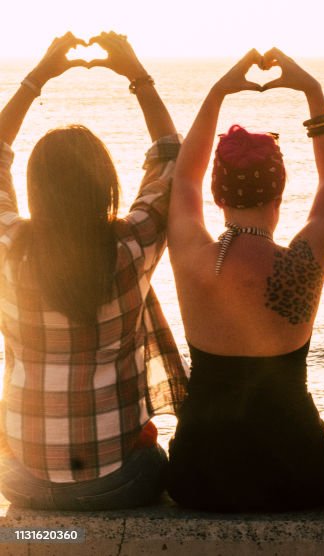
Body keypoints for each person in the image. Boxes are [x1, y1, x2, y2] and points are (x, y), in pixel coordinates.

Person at [0, 32, 186, 510]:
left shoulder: (8, 250)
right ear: (106, 187)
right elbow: (171, 156)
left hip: (23, 481)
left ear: (35, 189)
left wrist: (38, 76)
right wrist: (136, 75)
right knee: (160, 456)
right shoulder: (131, 246)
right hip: (119, 483)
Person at [164, 48, 324, 512]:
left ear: (217, 192)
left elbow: (184, 176)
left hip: (199, 473)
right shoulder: (304, 260)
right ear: (280, 187)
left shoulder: (193, 257)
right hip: (295, 471)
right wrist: (312, 90)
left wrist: (218, 92)